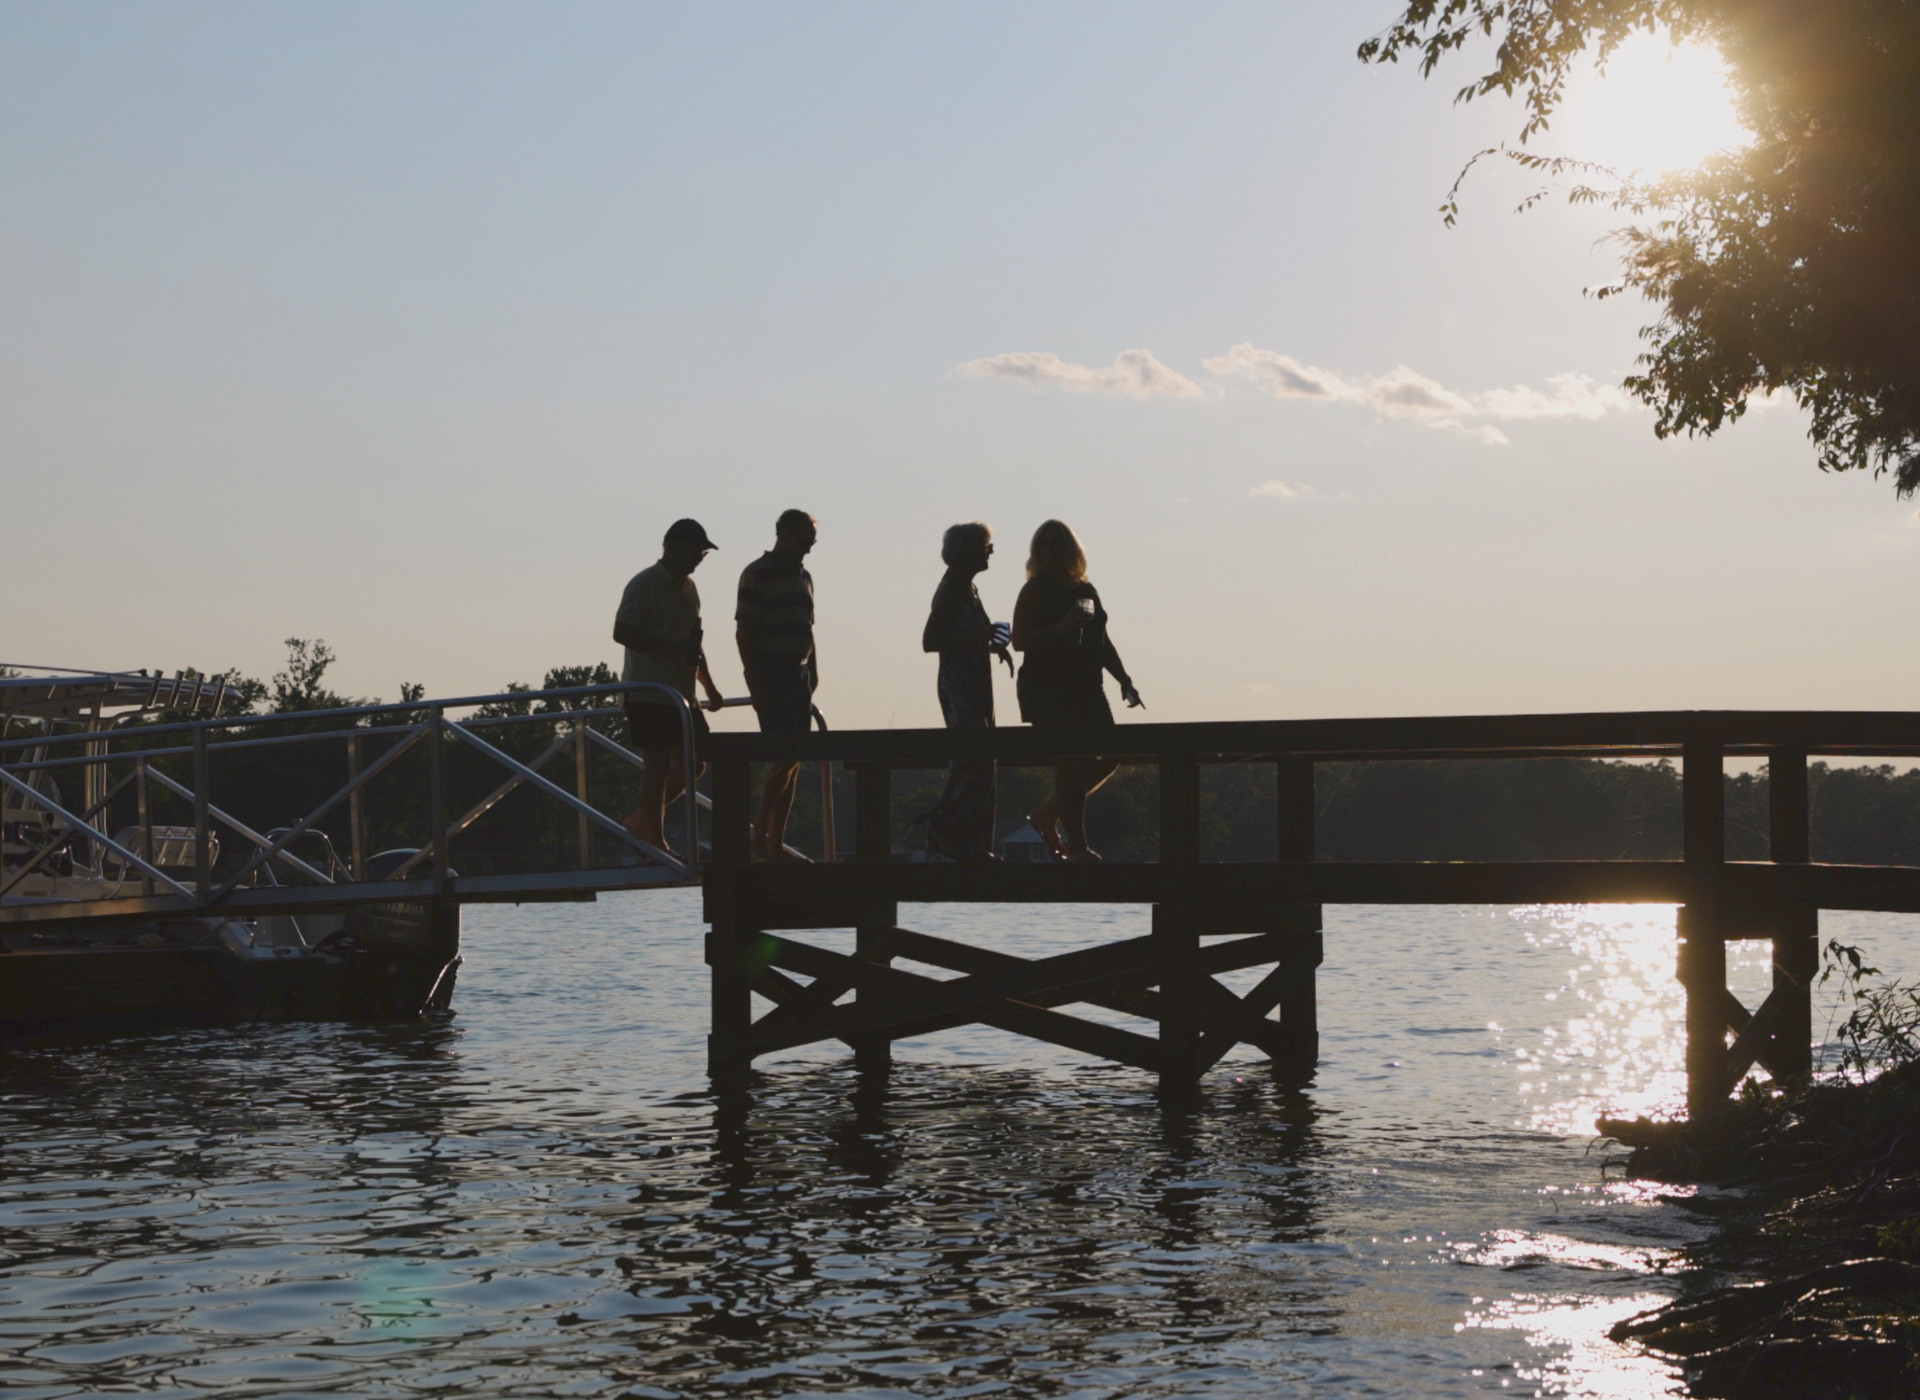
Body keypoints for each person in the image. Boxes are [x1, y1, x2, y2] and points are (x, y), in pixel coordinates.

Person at [1011, 519, 1143, 861]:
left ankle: (1047, 814)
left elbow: (1102, 639)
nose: (1052, 550)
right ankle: (1079, 847)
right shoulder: (1036, 589)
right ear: (1038, 551)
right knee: (1070, 762)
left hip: (1087, 686)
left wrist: (1123, 679)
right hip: (1048, 688)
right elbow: (1020, 640)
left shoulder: (1086, 589)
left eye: (1058, 543)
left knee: (1111, 753)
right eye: (1045, 544)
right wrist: (1060, 628)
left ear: (1071, 549)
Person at [612, 518, 725, 856]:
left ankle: (641, 819)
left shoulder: (690, 590)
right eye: (695, 552)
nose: (699, 559)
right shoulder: (644, 583)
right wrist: (670, 648)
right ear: (673, 548)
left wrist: (710, 687)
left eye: (703, 554)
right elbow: (622, 632)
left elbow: (693, 645)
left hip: (683, 697)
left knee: (696, 764)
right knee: (657, 766)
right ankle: (654, 839)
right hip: (649, 692)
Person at [916, 522, 1012, 861]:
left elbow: (963, 636)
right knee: (974, 761)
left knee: (982, 760)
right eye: (987, 545)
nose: (991, 551)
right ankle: (944, 835)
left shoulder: (967, 586)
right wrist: (982, 634)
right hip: (960, 687)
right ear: (968, 549)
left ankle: (971, 845)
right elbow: (931, 641)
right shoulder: (953, 587)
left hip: (975, 683)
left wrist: (990, 645)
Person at [736, 508, 819, 861]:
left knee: (795, 757)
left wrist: (814, 672)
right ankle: (759, 836)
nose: (809, 549)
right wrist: (756, 684)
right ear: (785, 535)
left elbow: (808, 627)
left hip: (798, 674)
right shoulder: (756, 573)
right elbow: (744, 632)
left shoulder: (805, 577)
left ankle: (774, 842)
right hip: (772, 670)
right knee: (783, 753)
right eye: (804, 541)